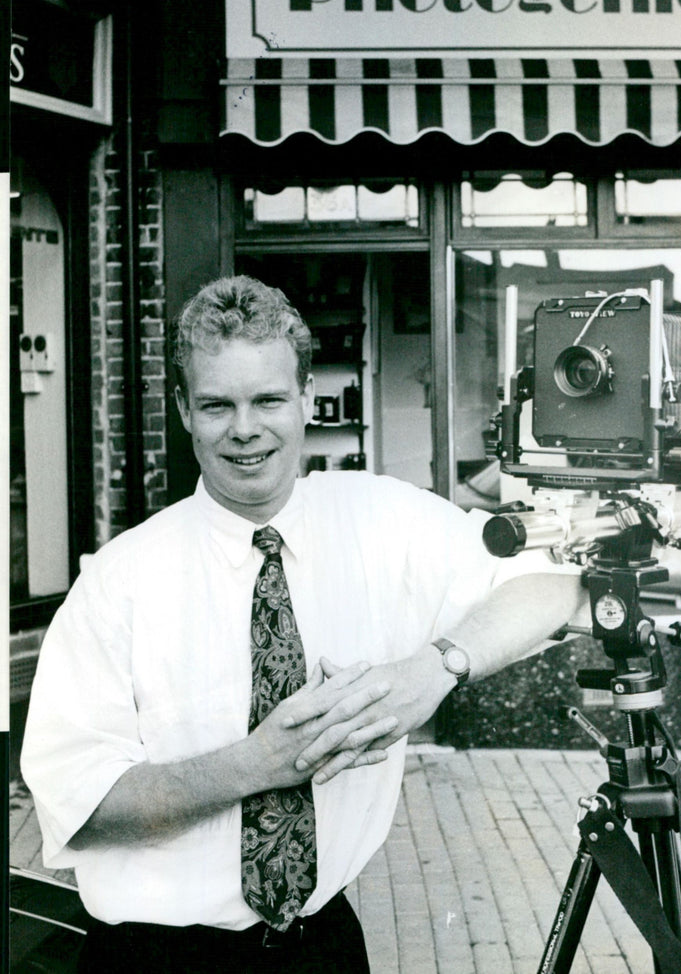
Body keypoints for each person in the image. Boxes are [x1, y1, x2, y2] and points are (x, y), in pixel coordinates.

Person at [21, 275, 586, 973]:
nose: (245, 429)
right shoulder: (118, 582)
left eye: (268, 400)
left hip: (321, 946)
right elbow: (79, 803)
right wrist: (254, 765)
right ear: (184, 410)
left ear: (308, 398)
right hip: (157, 956)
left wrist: (435, 669)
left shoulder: (383, 519)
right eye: (217, 405)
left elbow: (554, 578)